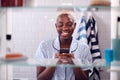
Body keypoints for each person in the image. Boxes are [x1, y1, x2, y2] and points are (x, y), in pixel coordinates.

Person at [34, 13, 92, 80]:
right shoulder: (44, 46)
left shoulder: (84, 48)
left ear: (75, 25)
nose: (65, 28)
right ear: (56, 26)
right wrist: (54, 62)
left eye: (69, 24)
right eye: (60, 25)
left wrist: (74, 63)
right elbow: (40, 79)